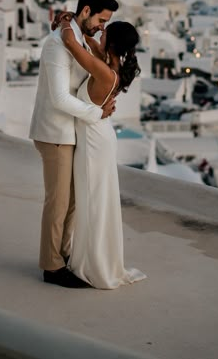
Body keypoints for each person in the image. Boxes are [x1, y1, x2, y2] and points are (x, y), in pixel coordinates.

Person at [29, 0, 118, 288]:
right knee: (58, 202)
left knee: (71, 202)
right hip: (55, 131)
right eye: (101, 20)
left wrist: (67, 20)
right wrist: (97, 114)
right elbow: (58, 98)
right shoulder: (58, 45)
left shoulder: (79, 38)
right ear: (86, 11)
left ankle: (62, 255)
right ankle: (51, 266)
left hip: (71, 131)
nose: (102, 27)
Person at [59, 18, 147, 289]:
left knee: (93, 203)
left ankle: (93, 264)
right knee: (96, 201)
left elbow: (71, 43)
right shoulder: (111, 64)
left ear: (112, 41)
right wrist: (90, 34)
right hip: (99, 135)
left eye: (105, 32)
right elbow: (90, 44)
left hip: (94, 143)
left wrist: (66, 22)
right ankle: (93, 258)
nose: (100, 33)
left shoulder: (104, 69)